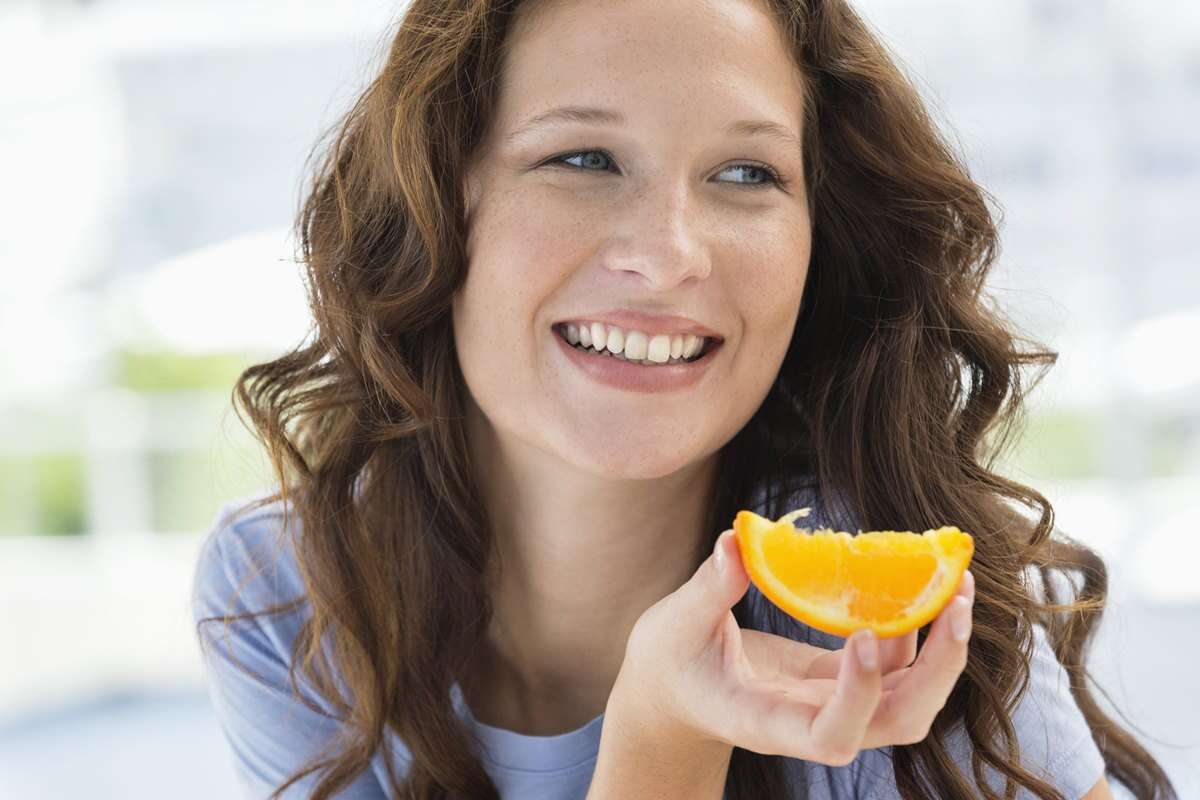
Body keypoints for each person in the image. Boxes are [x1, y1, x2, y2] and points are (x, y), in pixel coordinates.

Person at [191, 0, 1178, 798]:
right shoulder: (286, 593)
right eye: (583, 158)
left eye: (746, 174)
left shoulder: (899, 605)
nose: (666, 256)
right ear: (438, 202)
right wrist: (664, 729)